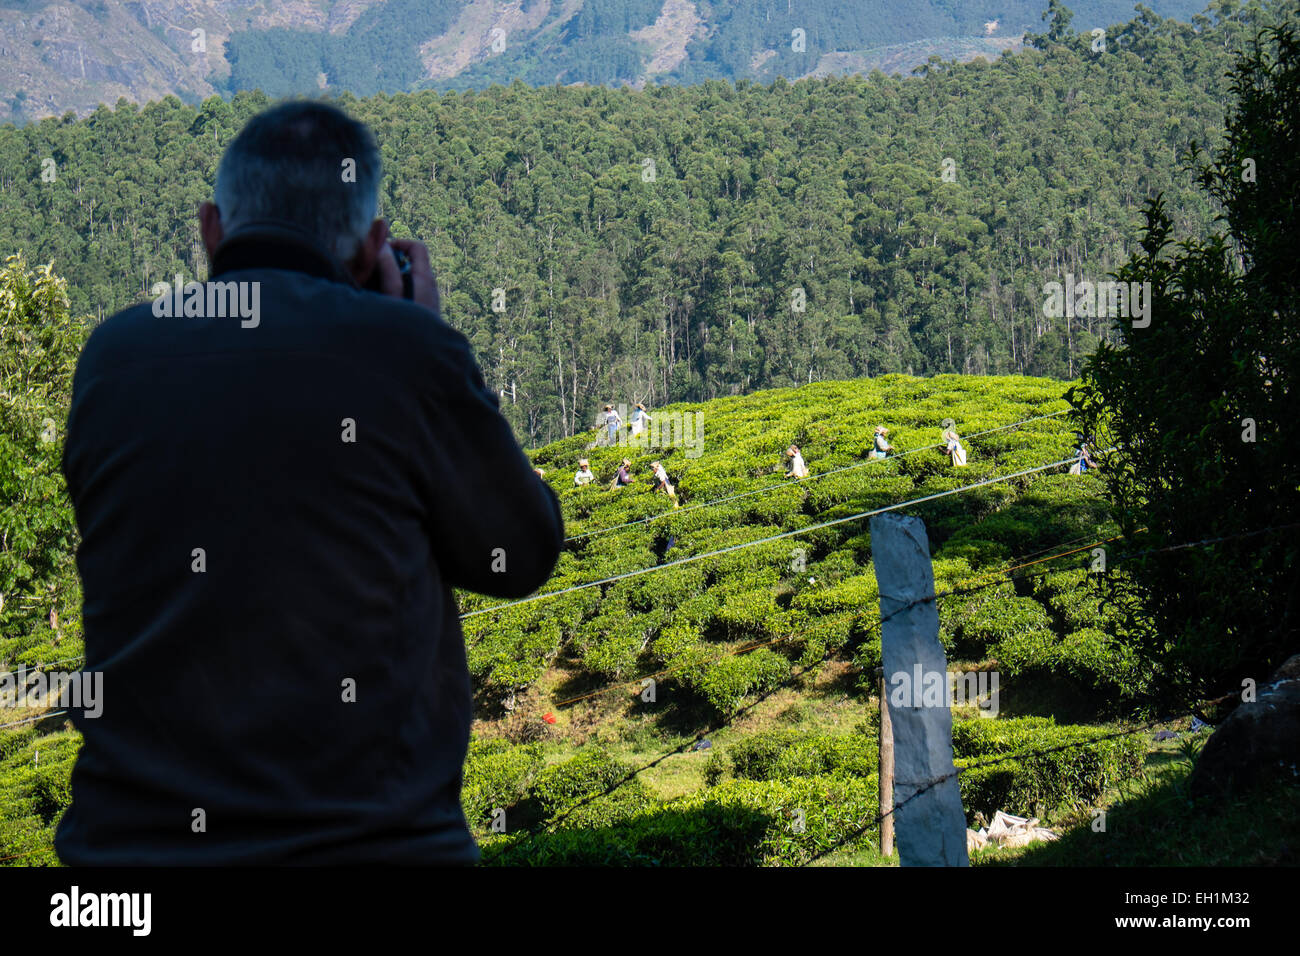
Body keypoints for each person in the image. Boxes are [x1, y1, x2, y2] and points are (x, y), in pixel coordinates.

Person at [55, 101, 565, 866]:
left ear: (210, 229)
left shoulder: (112, 357)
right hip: (374, 850)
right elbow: (521, 554)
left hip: (126, 866)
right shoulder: (402, 352)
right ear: (372, 250)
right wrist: (428, 342)